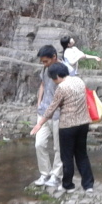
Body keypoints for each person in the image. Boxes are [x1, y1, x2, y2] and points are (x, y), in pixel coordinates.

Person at [29, 62, 93, 196]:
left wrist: (39, 124)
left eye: (53, 78)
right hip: (83, 124)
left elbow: (51, 108)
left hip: (68, 126)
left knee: (67, 157)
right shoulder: (79, 81)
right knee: (82, 155)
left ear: (57, 76)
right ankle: (88, 185)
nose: (54, 81)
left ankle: (68, 186)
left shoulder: (62, 88)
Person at [31, 45, 63, 188]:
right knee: (39, 144)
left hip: (58, 115)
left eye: (46, 61)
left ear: (54, 57)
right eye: (42, 62)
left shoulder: (64, 70)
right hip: (43, 112)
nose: (44, 64)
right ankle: (45, 173)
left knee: (58, 147)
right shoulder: (44, 69)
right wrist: (39, 102)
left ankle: (56, 176)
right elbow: (43, 85)